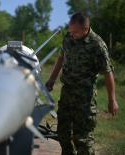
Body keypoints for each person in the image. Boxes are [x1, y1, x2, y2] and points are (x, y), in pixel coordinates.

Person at [45, 12, 118, 155]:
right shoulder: (68, 38)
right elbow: (61, 57)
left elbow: (108, 73)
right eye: (70, 31)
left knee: (83, 139)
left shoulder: (97, 45)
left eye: (75, 32)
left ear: (86, 28)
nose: (72, 34)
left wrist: (112, 100)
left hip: (84, 98)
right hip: (67, 94)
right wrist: (52, 79)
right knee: (62, 134)